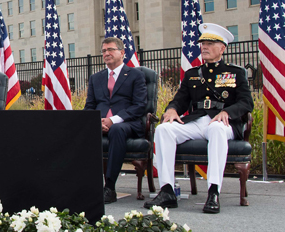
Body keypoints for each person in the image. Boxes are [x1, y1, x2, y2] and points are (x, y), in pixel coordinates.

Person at [144, 23, 253, 214]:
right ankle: (167, 190)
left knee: (217, 128)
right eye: (203, 43)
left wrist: (227, 112)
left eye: (210, 43)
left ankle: (213, 192)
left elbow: (246, 103)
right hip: (196, 121)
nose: (204, 47)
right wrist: (171, 109)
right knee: (163, 129)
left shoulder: (235, 73)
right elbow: (180, 100)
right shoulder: (193, 74)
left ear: (222, 48)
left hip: (223, 123)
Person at [84, 37, 147, 204]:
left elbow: (140, 106)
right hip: (100, 122)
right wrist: (97, 122)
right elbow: (89, 106)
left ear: (122, 52)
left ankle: (110, 187)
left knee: (117, 130)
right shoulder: (96, 78)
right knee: (78, 127)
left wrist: (113, 120)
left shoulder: (136, 75)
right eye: (104, 51)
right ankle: (81, 183)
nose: (106, 53)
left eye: (110, 50)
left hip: (127, 123)